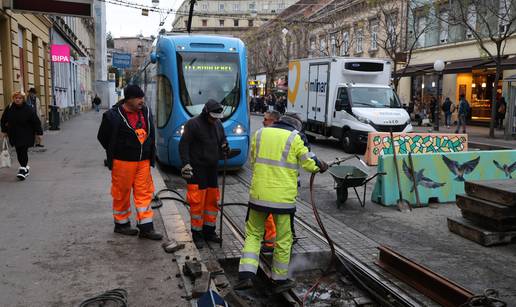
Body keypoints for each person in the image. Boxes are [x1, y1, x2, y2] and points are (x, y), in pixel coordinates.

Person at [235, 113, 328, 293]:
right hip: (282, 200)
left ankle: (246, 275)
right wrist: (321, 165)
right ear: (296, 126)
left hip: (259, 196)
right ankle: (279, 279)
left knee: (253, 235)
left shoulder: (261, 133)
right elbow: (310, 163)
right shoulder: (295, 137)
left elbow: (253, 161)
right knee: (283, 239)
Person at [97, 84, 163, 240]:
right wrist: (118, 150)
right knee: (122, 193)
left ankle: (146, 227)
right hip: (123, 162)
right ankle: (121, 224)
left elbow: (150, 133)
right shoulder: (112, 115)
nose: (142, 101)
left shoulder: (145, 112)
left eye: (142, 97)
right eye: (138, 98)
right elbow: (103, 137)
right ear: (129, 99)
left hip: (143, 161)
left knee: (144, 194)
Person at [179, 99, 229, 249]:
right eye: (213, 117)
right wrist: (186, 163)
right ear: (206, 112)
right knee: (197, 204)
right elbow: (183, 145)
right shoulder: (193, 124)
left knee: (212, 202)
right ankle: (197, 234)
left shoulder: (218, 124)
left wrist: (225, 146)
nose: (215, 120)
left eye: (217, 118)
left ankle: (209, 231)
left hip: (212, 169)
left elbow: (223, 139)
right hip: (197, 169)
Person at [1, 91, 43, 180]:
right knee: (19, 151)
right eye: (16, 98)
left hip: (26, 133)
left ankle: (23, 169)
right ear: (13, 98)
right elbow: (3, 120)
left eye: (20, 98)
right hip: (14, 134)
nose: (18, 100)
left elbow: (36, 121)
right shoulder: (9, 108)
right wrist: (4, 131)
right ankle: (25, 168)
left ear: (23, 99)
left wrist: (39, 133)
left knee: (23, 150)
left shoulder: (28, 109)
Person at [260, 110, 281, 254]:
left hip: (272, 185)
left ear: (273, 121)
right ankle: (272, 241)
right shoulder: (263, 134)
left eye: (265, 119)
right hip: (269, 184)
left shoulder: (266, 135)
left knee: (270, 216)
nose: (263, 121)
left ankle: (270, 243)